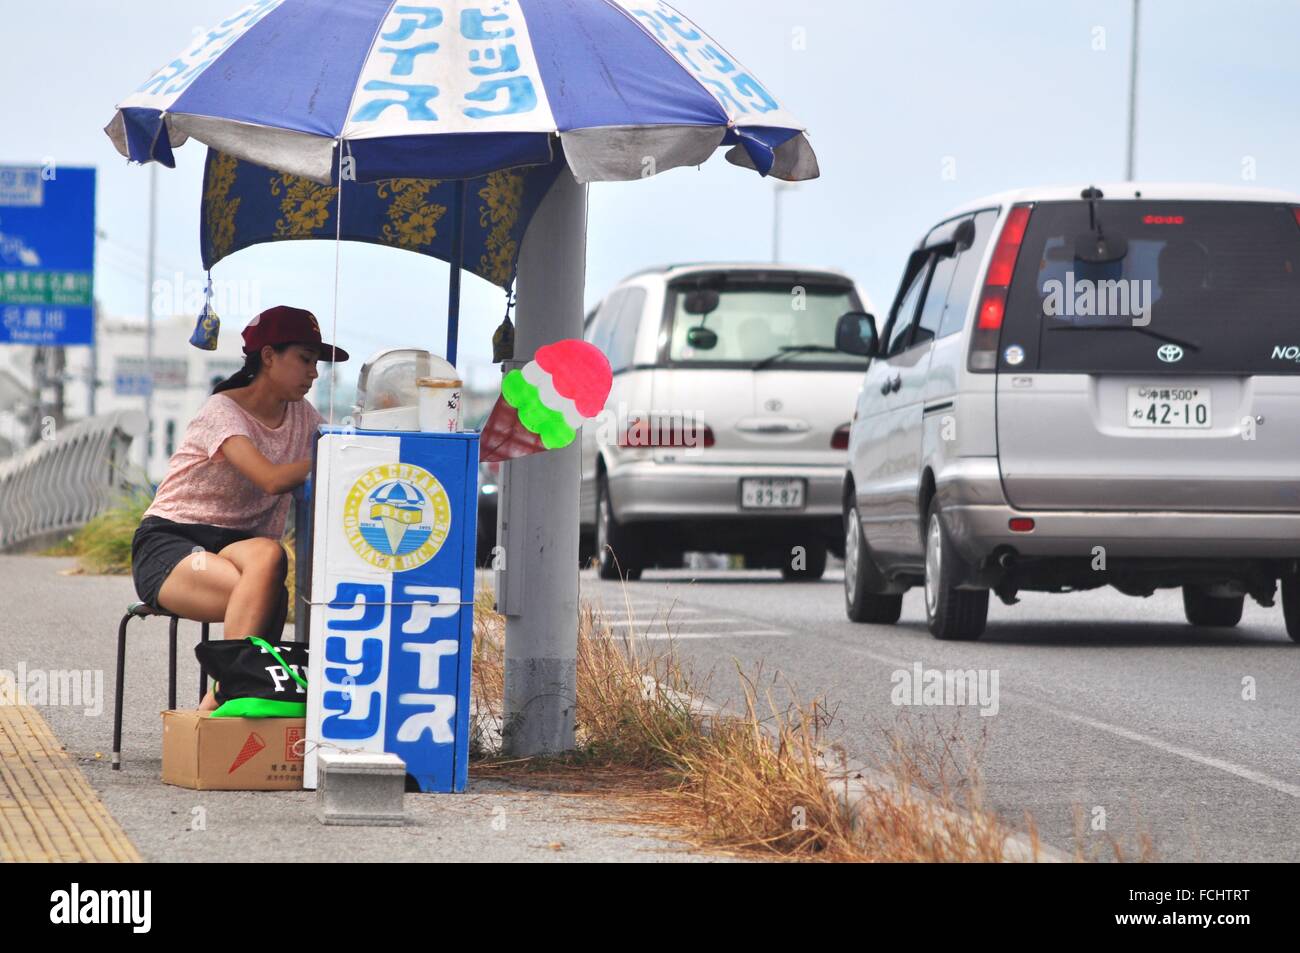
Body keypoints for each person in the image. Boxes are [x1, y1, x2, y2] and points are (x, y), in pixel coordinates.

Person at [130, 305, 348, 712]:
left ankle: (220, 697)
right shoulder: (222, 412)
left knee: (269, 556)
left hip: (240, 549)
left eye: (316, 363)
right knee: (265, 596)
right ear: (268, 356)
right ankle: (222, 699)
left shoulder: (302, 416)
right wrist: (331, 456)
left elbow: (342, 445)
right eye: (304, 359)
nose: (314, 373)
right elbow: (269, 478)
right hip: (174, 543)